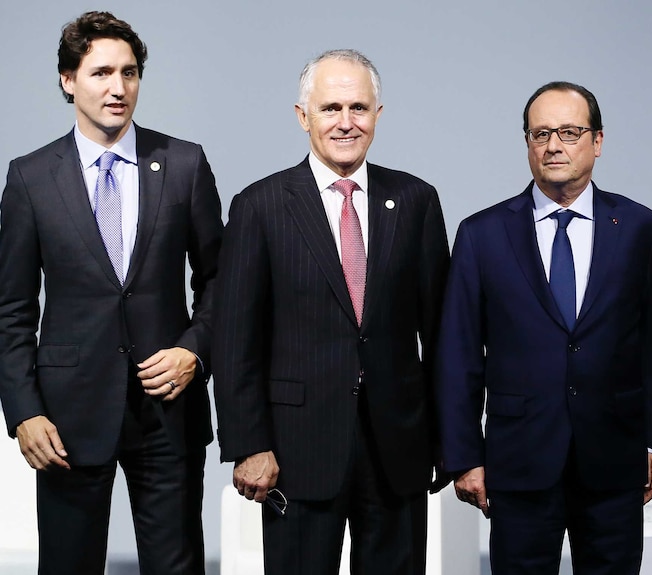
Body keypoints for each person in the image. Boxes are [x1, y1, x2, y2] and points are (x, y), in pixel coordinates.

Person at [0, 11, 223, 575]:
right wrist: (23, 411)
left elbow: (222, 283)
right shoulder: (29, 178)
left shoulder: (184, 164)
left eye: (129, 72)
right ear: (67, 80)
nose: (118, 88)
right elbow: (12, 309)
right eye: (100, 73)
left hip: (168, 408)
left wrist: (195, 350)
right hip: (67, 417)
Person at [212, 49, 450, 575]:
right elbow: (234, 342)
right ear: (303, 117)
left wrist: (449, 440)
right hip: (297, 452)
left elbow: (442, 336)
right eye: (330, 108)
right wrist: (249, 445)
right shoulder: (260, 206)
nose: (346, 122)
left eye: (359, 108)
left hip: (398, 449)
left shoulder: (416, 201)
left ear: (378, 115)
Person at [436, 81, 652, 575]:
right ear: (527, 143)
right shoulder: (482, 234)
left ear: (598, 141)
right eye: (541, 133)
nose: (554, 145)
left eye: (570, 131)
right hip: (518, 461)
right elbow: (458, 356)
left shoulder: (639, 228)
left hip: (614, 457)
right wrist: (463, 455)